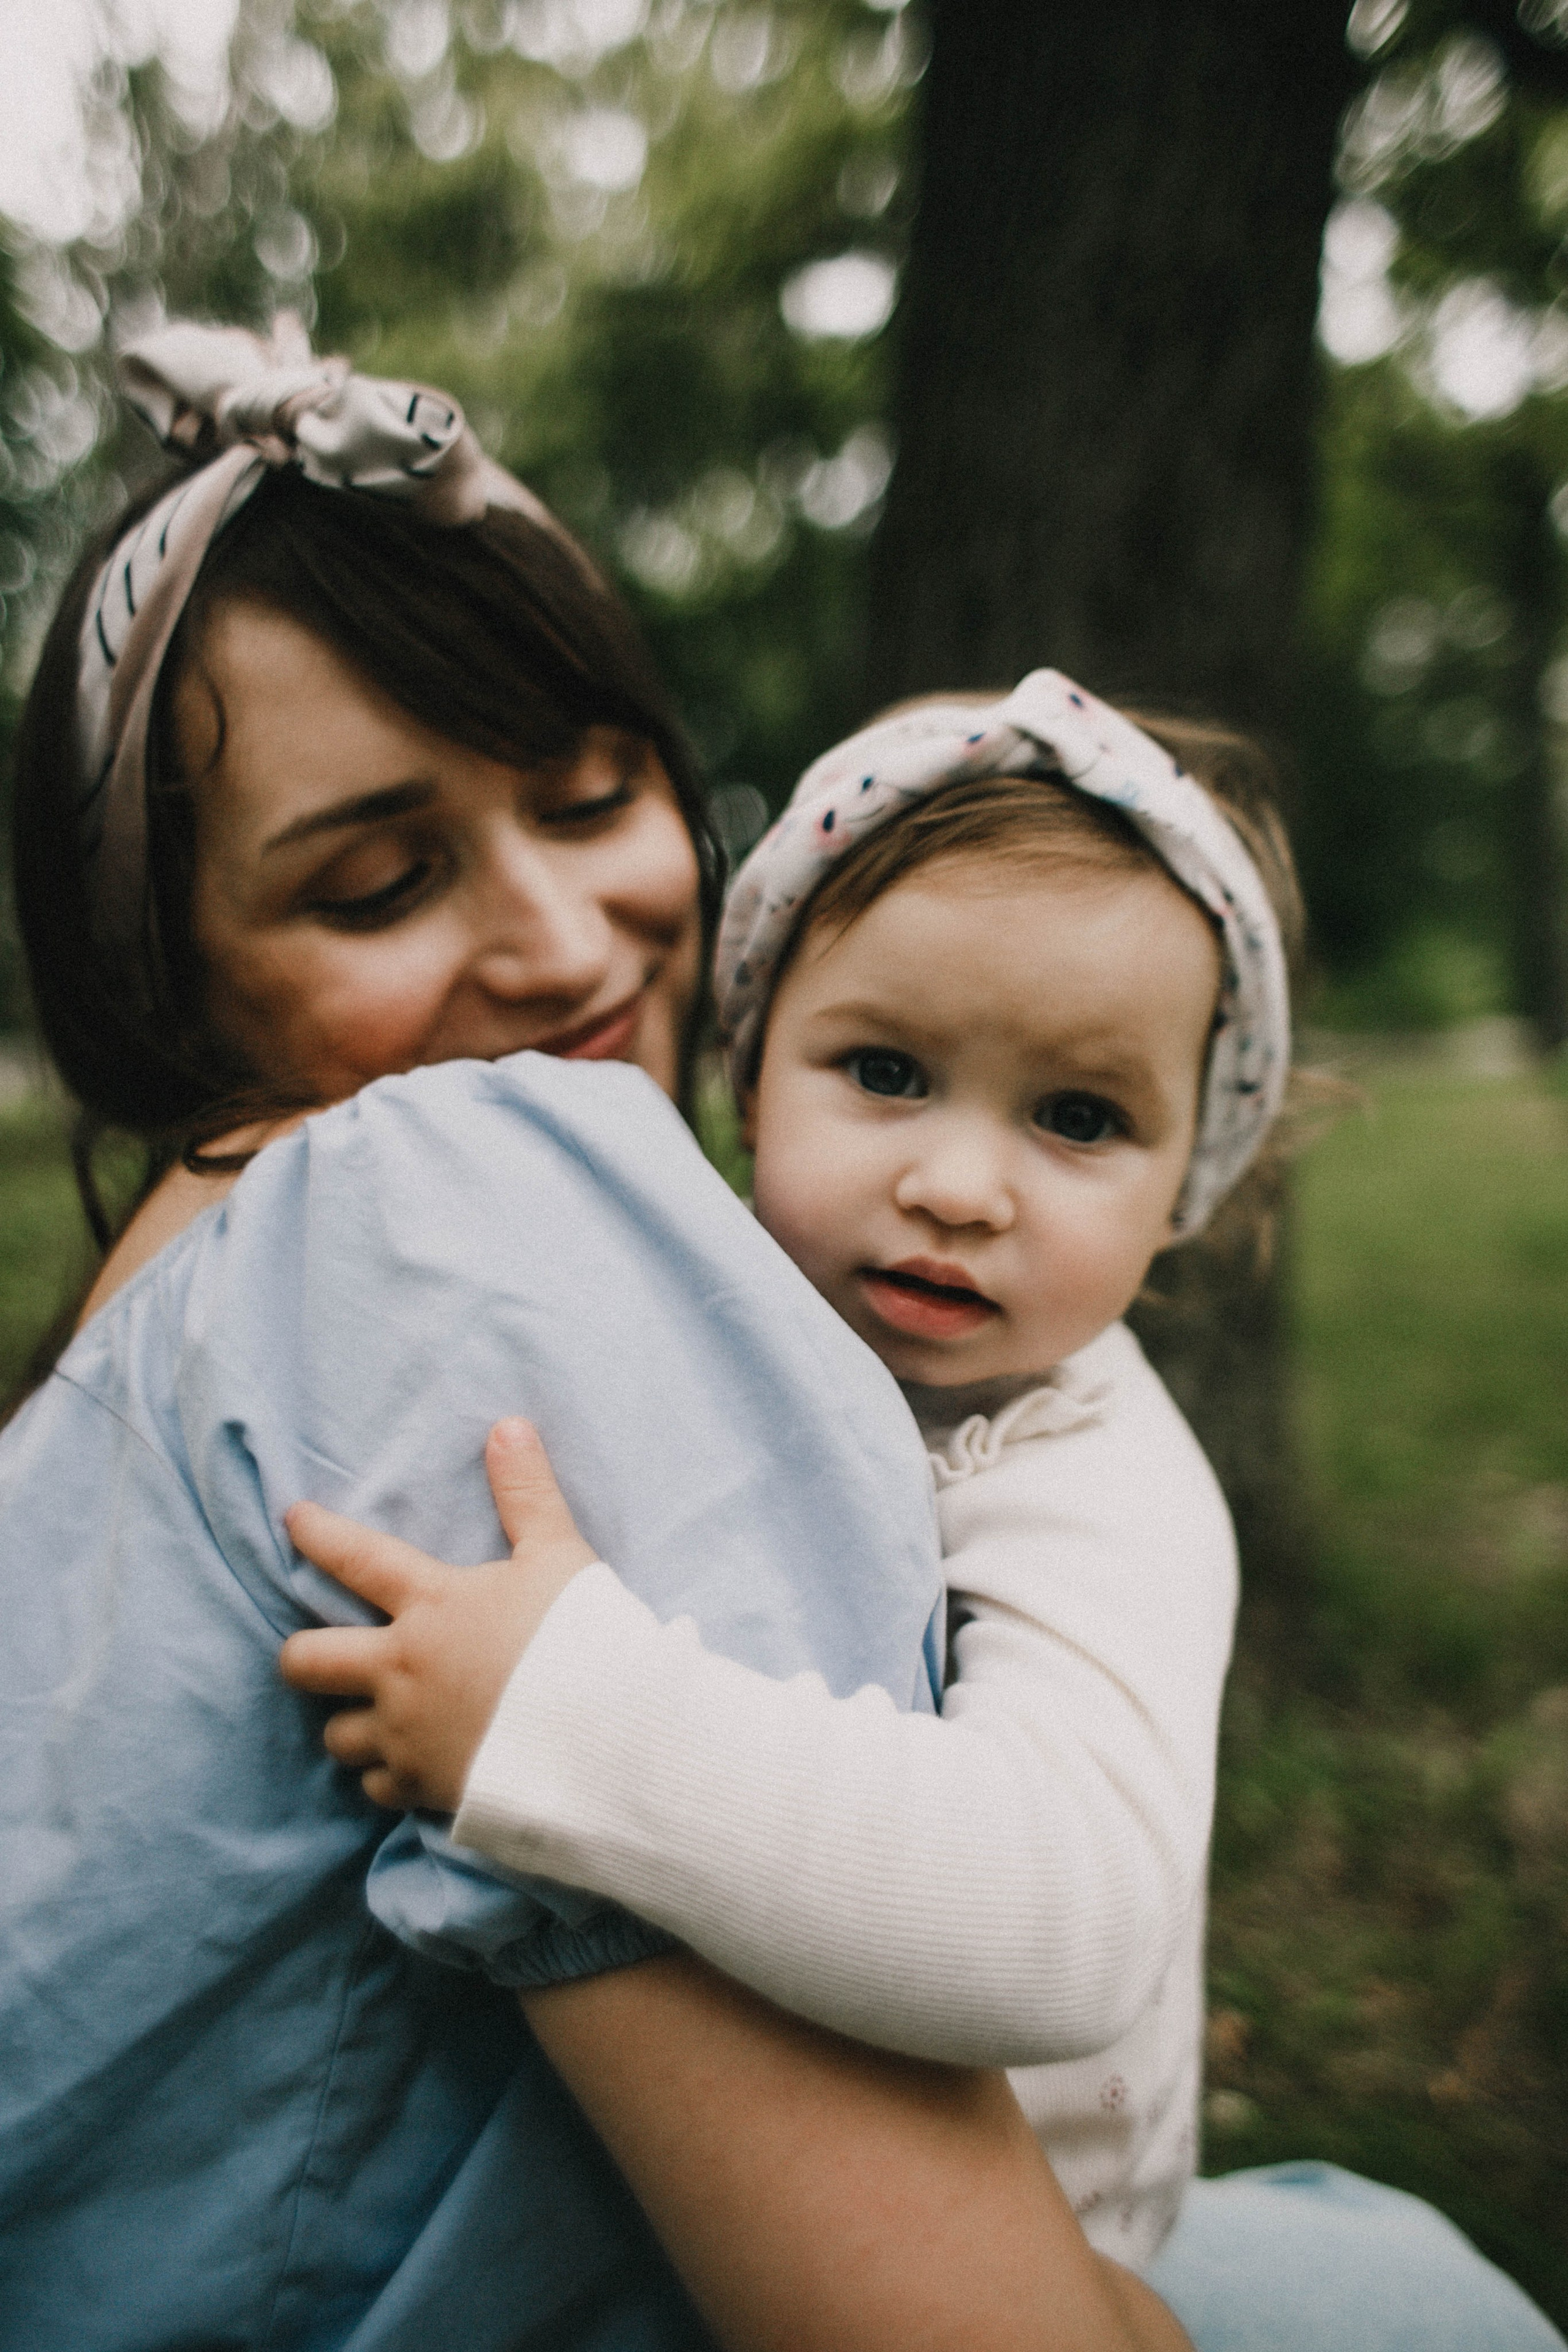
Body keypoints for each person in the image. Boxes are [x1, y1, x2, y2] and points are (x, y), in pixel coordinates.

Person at [0, 318, 1186, 2352]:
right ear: (161, 970)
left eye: (590, 796)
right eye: (379, 886)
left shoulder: (148, 1341)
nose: (565, 949)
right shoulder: (441, 1213)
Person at [281, 682, 1568, 2352]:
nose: (963, 1186)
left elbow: (1065, 1921)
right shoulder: (709, 1324)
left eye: (1079, 1118)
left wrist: (566, 1719)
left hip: (983, 2257)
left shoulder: (1097, 1477)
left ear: (1189, 1185)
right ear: (750, 1072)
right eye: (886, 1071)